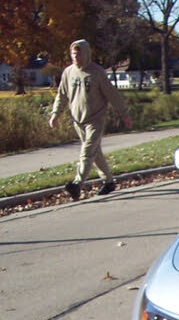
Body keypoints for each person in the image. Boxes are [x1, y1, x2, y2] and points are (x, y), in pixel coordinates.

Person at [49, 39, 132, 200]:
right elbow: (62, 95)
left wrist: (125, 115)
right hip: (77, 119)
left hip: (96, 119)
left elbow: (113, 95)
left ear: (86, 53)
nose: (76, 56)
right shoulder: (68, 72)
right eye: (73, 53)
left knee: (87, 151)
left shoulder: (97, 72)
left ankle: (77, 184)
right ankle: (109, 181)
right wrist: (55, 115)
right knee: (95, 152)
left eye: (79, 53)